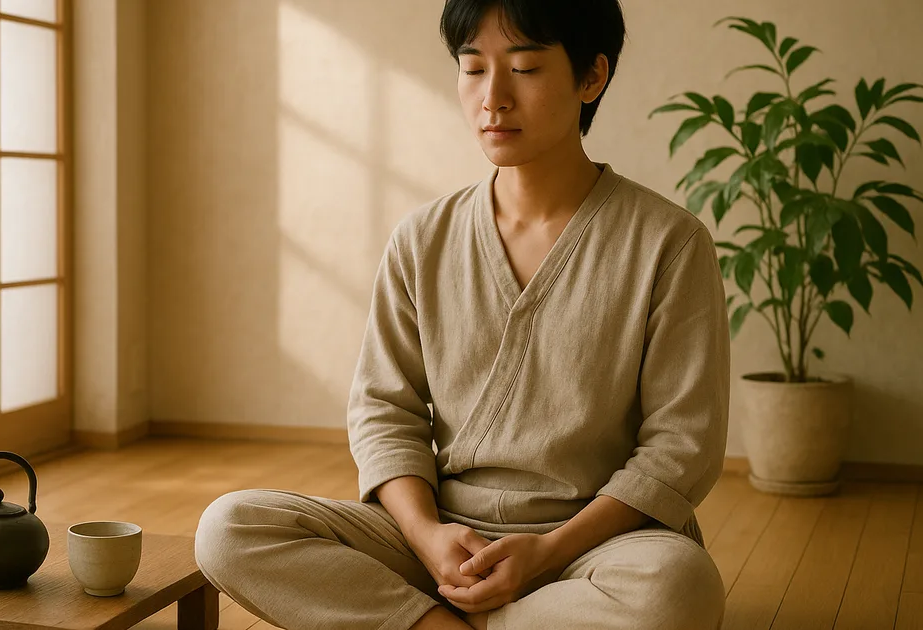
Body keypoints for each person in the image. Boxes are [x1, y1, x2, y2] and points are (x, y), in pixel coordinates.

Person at [194, 1, 729, 628]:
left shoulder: (669, 242)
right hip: (445, 545)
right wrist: (425, 536)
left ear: (592, 77)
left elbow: (680, 446)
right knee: (228, 528)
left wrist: (547, 552)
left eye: (525, 68)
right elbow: (383, 411)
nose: (493, 98)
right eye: (472, 68)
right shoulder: (421, 239)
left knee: (678, 588)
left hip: (593, 549)